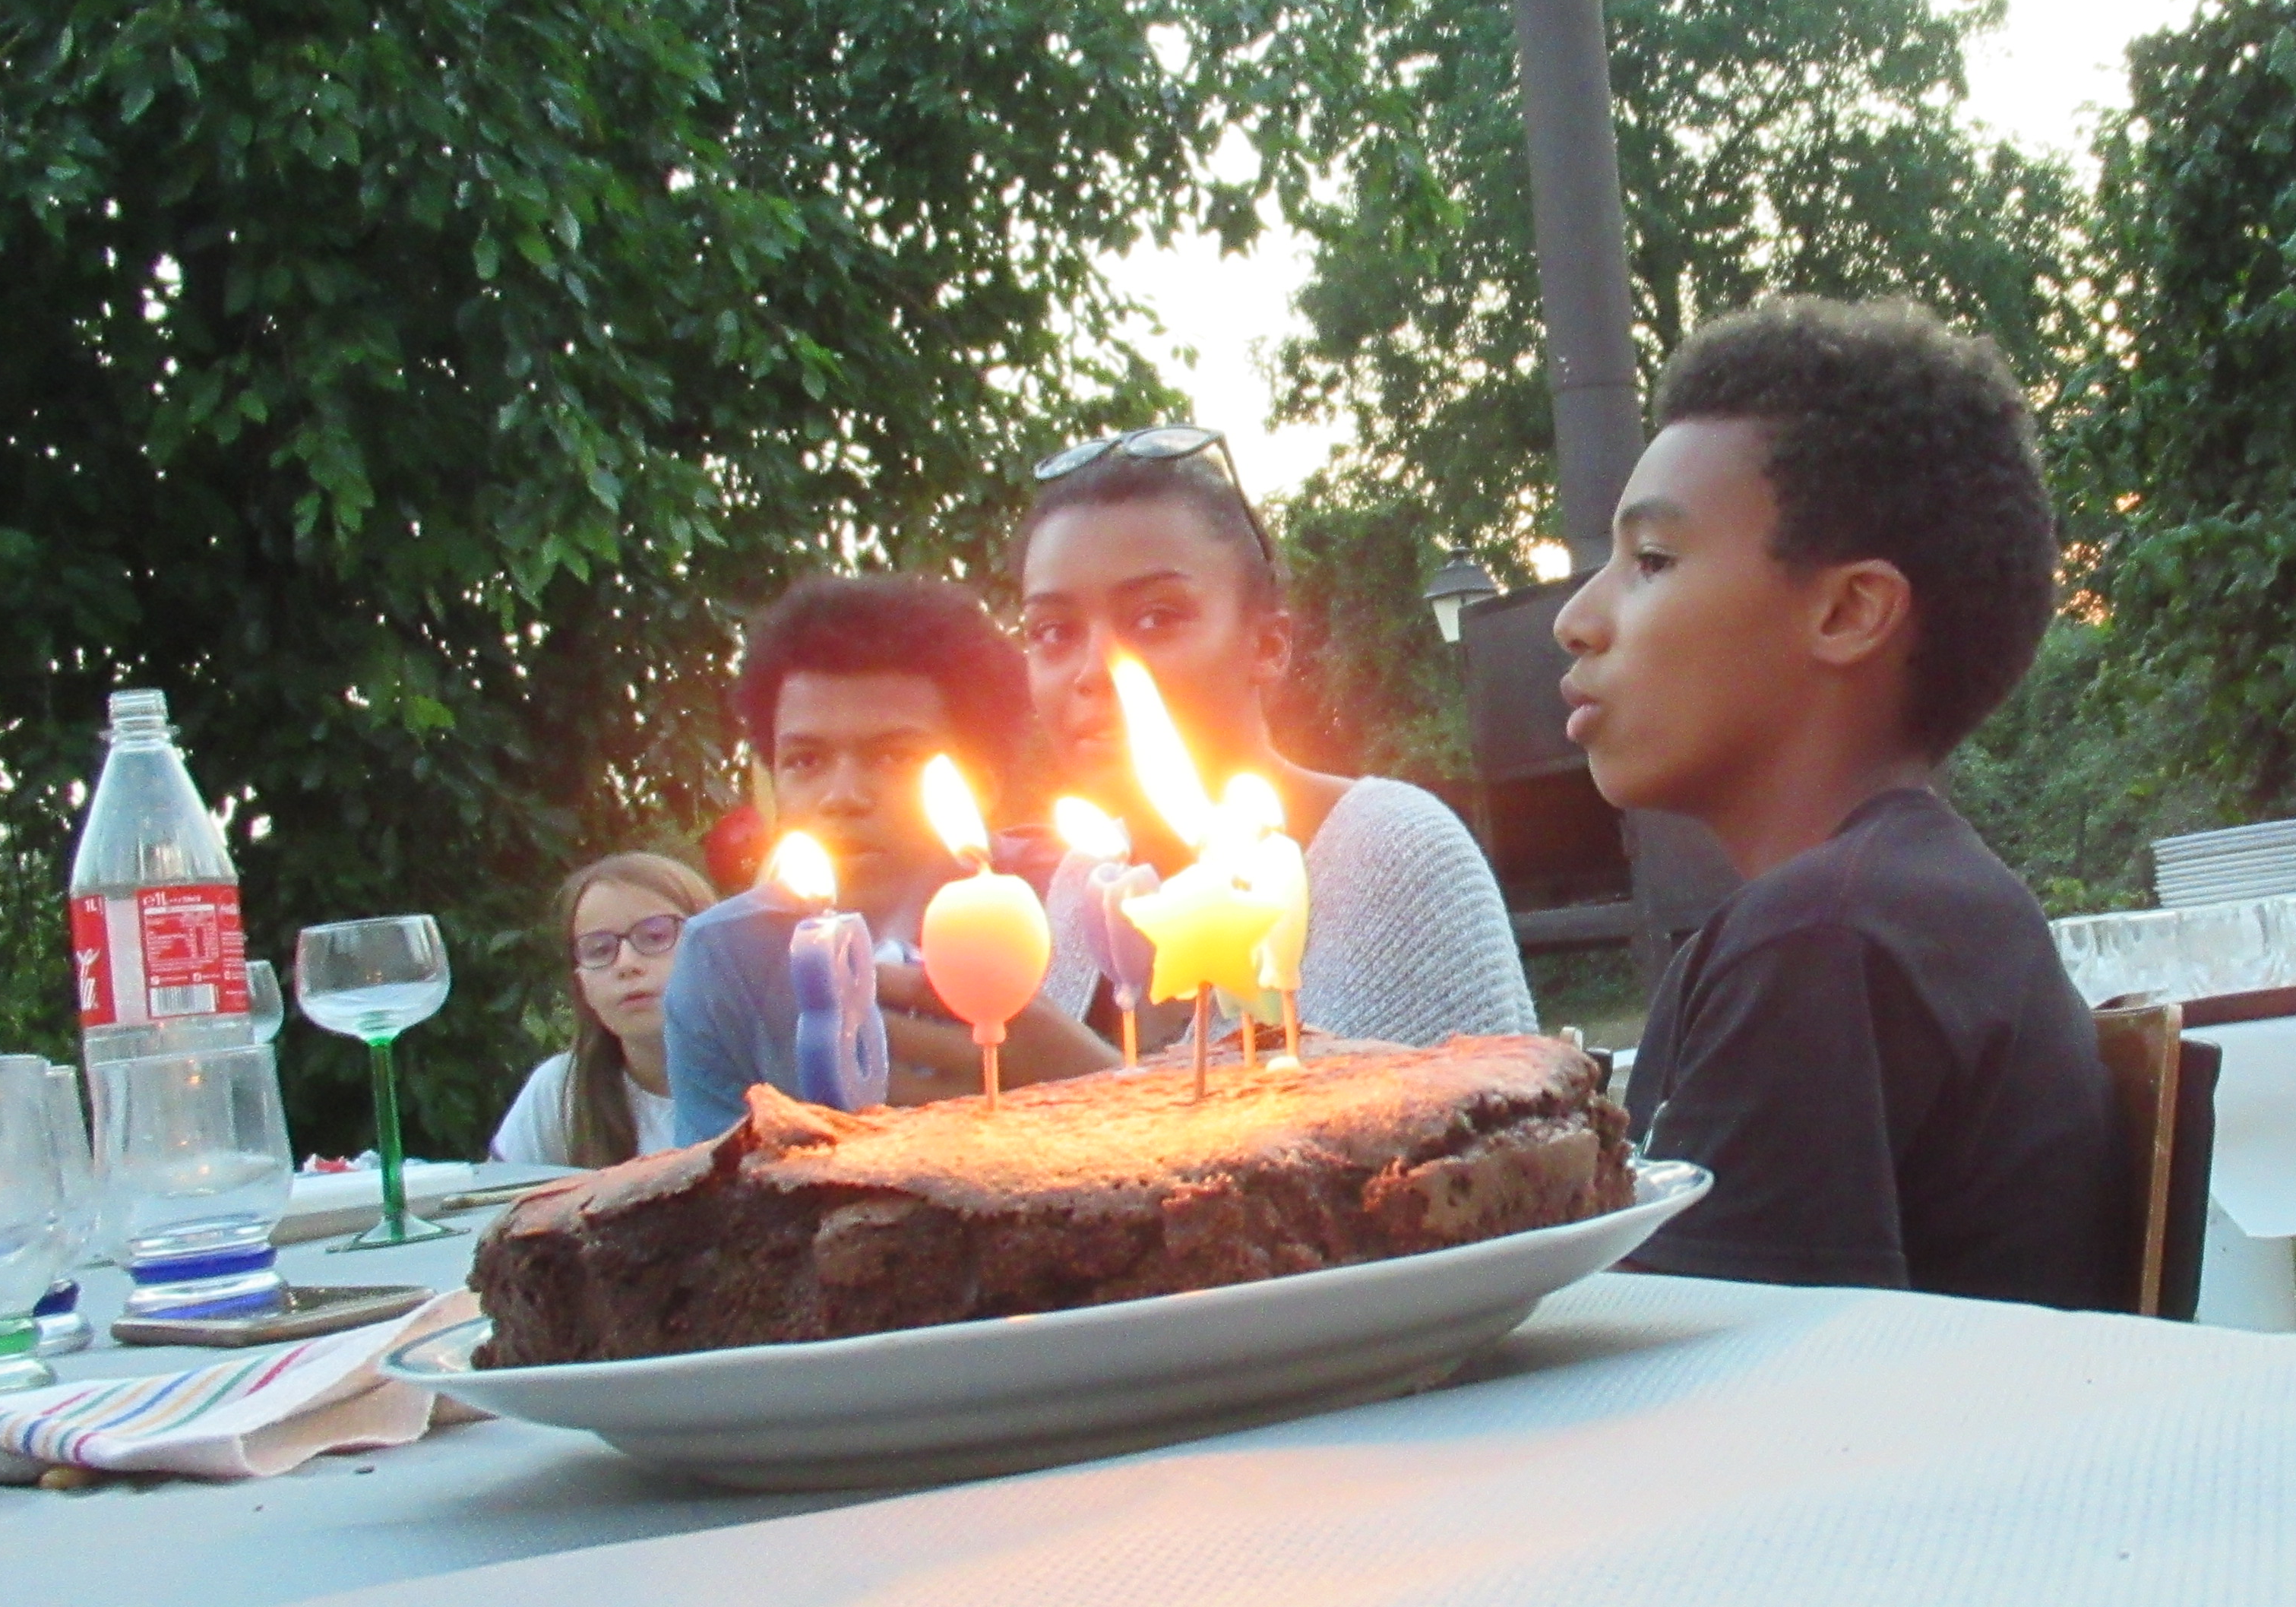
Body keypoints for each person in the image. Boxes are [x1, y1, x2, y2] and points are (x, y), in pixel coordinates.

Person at [1552, 299, 2112, 1308]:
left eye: (1652, 562)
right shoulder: (1888, 912)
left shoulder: (1822, 944)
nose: (1576, 620)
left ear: (1850, 611)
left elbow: (1701, 1379)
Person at [1014, 427, 1535, 1049]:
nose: (1094, 671)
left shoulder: (1394, 855)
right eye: (1053, 631)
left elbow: (1477, 1106)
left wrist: (1084, 1083)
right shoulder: (1081, 886)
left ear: (1267, 645)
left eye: (1156, 617)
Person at [660, 574, 1115, 1144]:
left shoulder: (1083, 906)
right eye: (805, 761)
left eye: (894, 756)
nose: (842, 796)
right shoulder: (725, 958)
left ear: (982, 781)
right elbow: (710, 1185)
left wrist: (1090, 1086)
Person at [491, 853, 712, 1167]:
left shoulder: (775, 1073)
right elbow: (501, 1197)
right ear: (580, 982)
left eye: (655, 936)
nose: (626, 964)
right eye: (599, 949)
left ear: (714, 946)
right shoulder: (560, 1090)